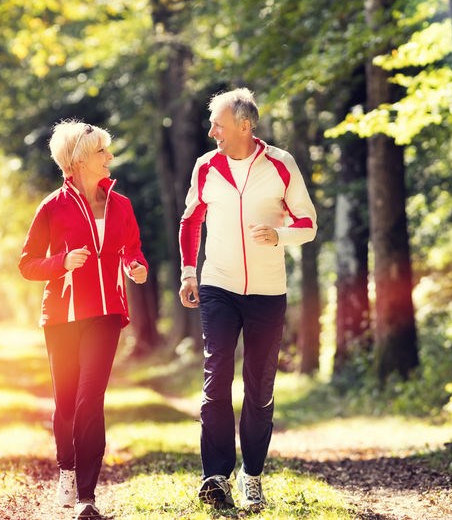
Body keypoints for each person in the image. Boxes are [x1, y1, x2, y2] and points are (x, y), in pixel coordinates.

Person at [178, 88, 317, 510]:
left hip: (267, 291)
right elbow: (190, 221)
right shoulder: (207, 166)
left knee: (259, 387)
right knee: (216, 375)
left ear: (245, 125)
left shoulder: (281, 164)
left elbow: (308, 223)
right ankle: (215, 476)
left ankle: (251, 476)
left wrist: (280, 235)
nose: (211, 131)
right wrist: (188, 272)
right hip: (218, 284)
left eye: (218, 123)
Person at [19, 121, 148, 520]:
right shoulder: (52, 207)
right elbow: (27, 265)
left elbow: (133, 251)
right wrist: (62, 262)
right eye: (101, 152)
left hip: (107, 314)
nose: (110, 157)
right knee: (68, 402)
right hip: (62, 316)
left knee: (90, 399)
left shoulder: (120, 205)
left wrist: (135, 266)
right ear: (77, 161)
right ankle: (67, 470)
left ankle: (87, 496)